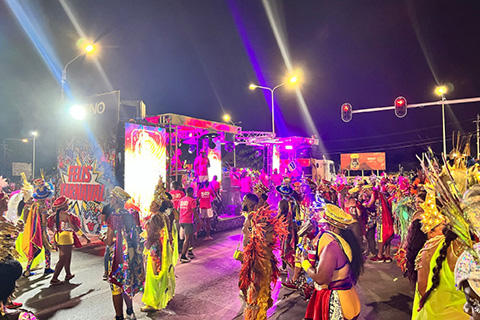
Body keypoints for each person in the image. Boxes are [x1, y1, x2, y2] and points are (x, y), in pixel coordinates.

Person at [298, 204, 364, 320]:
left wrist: (304, 263)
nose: (323, 229)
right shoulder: (344, 242)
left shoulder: (332, 247)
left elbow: (320, 278)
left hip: (337, 301)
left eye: (325, 225)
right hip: (348, 296)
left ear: (332, 227)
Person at [238, 194, 288, 320]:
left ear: (249, 204)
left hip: (257, 262)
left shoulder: (256, 219)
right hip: (252, 261)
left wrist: (254, 261)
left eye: (244, 200)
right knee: (251, 293)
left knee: (257, 296)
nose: (242, 202)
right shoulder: (250, 217)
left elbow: (265, 241)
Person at [105, 187, 144, 320]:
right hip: (131, 254)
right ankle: (129, 309)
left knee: (116, 285)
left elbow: (109, 240)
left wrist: (103, 239)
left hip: (117, 254)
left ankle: (119, 316)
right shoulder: (131, 214)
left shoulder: (114, 216)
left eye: (112, 198)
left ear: (116, 201)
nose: (110, 200)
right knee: (127, 280)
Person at [141, 178, 177, 312]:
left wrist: (146, 247)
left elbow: (151, 236)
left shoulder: (155, 218)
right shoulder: (164, 217)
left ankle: (153, 303)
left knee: (153, 275)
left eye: (153, 203)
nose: (150, 205)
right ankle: (161, 297)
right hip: (162, 248)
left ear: (157, 206)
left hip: (155, 248)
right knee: (161, 273)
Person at [47, 196, 90, 285]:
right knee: (63, 259)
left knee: (67, 256)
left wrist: (56, 232)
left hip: (58, 236)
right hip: (66, 238)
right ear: (64, 206)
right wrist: (85, 237)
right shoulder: (68, 215)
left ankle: (68, 274)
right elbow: (74, 227)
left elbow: (50, 226)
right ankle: (54, 278)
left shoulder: (54, 216)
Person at [21, 178, 55, 277]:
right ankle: (46, 268)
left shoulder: (34, 205)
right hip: (42, 230)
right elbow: (44, 221)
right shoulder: (43, 207)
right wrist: (49, 216)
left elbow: (28, 218)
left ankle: (28, 269)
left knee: (35, 249)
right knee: (46, 248)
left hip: (34, 230)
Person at [178, 187, 202, 263]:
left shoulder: (181, 200)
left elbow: (178, 210)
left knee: (190, 237)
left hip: (181, 221)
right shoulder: (192, 200)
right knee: (187, 238)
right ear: (191, 192)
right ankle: (183, 256)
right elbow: (194, 212)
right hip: (188, 221)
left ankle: (190, 252)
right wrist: (199, 220)